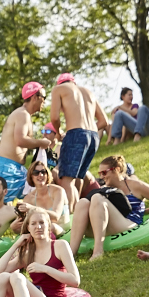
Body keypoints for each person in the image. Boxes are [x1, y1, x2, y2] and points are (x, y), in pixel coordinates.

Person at [69, 155, 149, 260]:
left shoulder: (134, 186)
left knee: (97, 198)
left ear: (117, 169)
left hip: (128, 222)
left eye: (104, 173)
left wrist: (145, 212)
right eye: (99, 174)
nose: (101, 177)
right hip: (105, 225)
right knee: (83, 202)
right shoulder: (104, 188)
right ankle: (71, 253)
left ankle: (98, 251)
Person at [49, 73, 109, 204]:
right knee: (79, 178)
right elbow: (104, 121)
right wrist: (87, 131)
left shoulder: (59, 89)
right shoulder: (88, 92)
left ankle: (70, 216)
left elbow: (54, 118)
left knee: (66, 180)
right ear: (73, 82)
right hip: (93, 136)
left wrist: (59, 133)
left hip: (76, 134)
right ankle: (78, 212)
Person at [0, 80, 54, 169]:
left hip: (12, 166)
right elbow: (20, 140)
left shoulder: (24, 114)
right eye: (44, 97)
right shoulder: (23, 114)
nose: (44, 102)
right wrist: (41, 143)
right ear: (35, 97)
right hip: (8, 167)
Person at [11, 161, 68, 237]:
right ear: (31, 176)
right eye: (36, 172)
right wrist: (14, 227)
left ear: (47, 175)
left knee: (51, 227)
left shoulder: (58, 191)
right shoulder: (28, 198)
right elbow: (26, 227)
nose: (40, 175)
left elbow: (56, 217)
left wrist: (32, 208)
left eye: (43, 172)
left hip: (62, 231)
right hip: (41, 233)